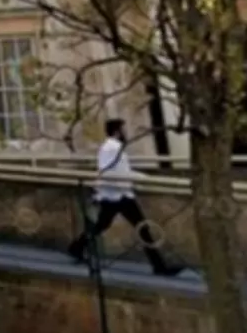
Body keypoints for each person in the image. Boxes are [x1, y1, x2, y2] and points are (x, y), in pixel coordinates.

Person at [67, 118, 182, 277]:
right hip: (117, 195)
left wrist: (140, 178)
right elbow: (108, 171)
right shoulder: (111, 148)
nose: (125, 133)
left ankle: (77, 247)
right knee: (142, 228)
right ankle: (159, 266)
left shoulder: (113, 147)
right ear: (117, 131)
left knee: (104, 225)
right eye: (123, 130)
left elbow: (119, 170)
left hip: (116, 194)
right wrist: (138, 179)